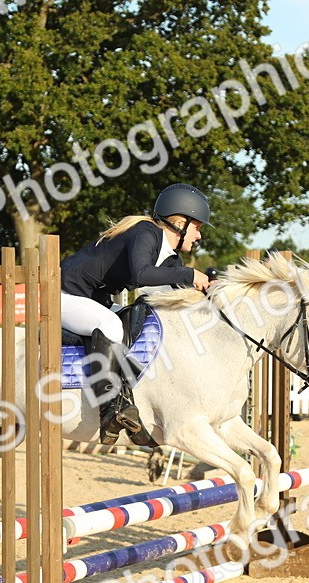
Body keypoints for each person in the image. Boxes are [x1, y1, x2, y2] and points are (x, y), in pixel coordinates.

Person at [60, 183, 212, 445]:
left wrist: (212, 288)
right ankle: (110, 409)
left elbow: (174, 286)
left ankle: (129, 397)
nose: (198, 236)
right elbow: (142, 275)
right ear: (179, 222)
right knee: (110, 326)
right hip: (64, 295)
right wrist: (189, 274)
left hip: (92, 300)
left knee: (136, 323)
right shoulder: (146, 233)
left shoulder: (168, 255)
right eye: (197, 227)